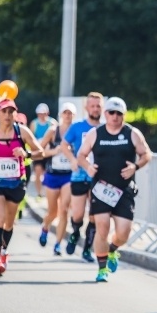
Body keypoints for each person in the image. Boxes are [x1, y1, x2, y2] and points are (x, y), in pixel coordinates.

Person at [77, 97, 152, 282]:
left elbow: (146, 154)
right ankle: (102, 269)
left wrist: (135, 166)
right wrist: (88, 167)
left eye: (119, 113)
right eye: (111, 112)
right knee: (102, 228)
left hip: (124, 190)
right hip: (101, 189)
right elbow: (81, 155)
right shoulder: (95, 133)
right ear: (105, 114)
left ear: (124, 115)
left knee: (124, 233)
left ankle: (112, 249)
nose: (115, 116)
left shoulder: (132, 133)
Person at [0, 98, 44, 278]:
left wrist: (26, 153)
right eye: (4, 111)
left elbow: (40, 152)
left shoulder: (22, 132)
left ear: (15, 114)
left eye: (11, 111)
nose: (7, 115)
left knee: (9, 222)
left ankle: (4, 250)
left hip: (16, 182)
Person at [61, 93, 103, 261]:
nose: (95, 109)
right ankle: (75, 233)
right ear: (86, 108)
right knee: (78, 214)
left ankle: (87, 249)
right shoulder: (77, 126)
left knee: (94, 215)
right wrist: (72, 159)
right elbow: (64, 144)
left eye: (98, 106)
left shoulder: (105, 128)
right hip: (79, 176)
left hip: (98, 177)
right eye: (92, 106)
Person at [38, 102, 76, 255]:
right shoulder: (53, 131)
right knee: (53, 212)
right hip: (53, 174)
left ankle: (58, 244)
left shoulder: (76, 131)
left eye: (70, 113)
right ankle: (45, 227)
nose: (67, 116)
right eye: (65, 113)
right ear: (61, 114)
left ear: (74, 115)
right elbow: (40, 150)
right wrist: (54, 151)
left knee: (64, 210)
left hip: (69, 175)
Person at [30, 103, 55, 198]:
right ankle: (39, 193)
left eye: (43, 113)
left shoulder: (52, 123)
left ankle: (46, 192)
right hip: (38, 152)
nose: (42, 115)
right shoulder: (34, 124)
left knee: (47, 173)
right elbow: (31, 138)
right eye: (40, 114)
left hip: (48, 152)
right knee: (38, 171)